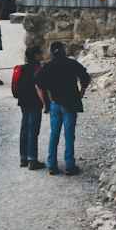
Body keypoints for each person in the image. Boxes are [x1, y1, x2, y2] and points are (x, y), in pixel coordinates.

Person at [36, 41, 90, 176]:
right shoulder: (71, 64)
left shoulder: (48, 66)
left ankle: (52, 165)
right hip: (70, 103)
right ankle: (69, 165)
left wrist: (48, 92)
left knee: (54, 134)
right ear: (63, 50)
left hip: (55, 103)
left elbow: (38, 80)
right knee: (69, 135)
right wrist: (81, 92)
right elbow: (85, 76)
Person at [13, 44, 45, 168]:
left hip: (23, 101)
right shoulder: (38, 69)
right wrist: (45, 103)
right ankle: (33, 160)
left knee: (24, 128)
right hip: (35, 102)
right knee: (33, 130)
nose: (42, 55)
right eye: (40, 53)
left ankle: (23, 158)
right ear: (36, 56)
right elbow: (40, 87)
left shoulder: (22, 68)